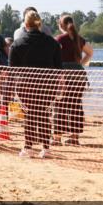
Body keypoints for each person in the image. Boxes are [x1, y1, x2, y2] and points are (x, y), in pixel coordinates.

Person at [9, 10, 63, 158]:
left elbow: (12, 70)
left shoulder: (17, 44)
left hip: (26, 86)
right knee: (44, 114)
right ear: (40, 23)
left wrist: (10, 91)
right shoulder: (53, 43)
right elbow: (59, 68)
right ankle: (46, 148)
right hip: (48, 85)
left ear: (25, 24)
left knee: (30, 115)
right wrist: (60, 87)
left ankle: (28, 147)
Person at [52, 14, 93, 145]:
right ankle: (74, 137)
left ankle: (57, 138)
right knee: (76, 105)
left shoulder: (59, 39)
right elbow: (90, 52)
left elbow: (53, 57)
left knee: (60, 105)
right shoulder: (79, 39)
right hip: (79, 75)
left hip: (64, 75)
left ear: (60, 25)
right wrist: (80, 63)